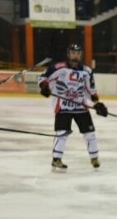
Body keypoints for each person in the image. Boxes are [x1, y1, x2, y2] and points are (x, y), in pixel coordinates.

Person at [38, 43, 108, 171]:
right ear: (69, 54)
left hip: (81, 107)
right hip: (63, 107)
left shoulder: (87, 71)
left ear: (81, 55)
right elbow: (43, 78)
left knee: (90, 133)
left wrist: (97, 103)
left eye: (78, 53)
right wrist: (44, 86)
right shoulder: (59, 67)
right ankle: (56, 159)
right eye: (73, 53)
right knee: (62, 133)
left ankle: (94, 158)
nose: (75, 56)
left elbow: (91, 90)